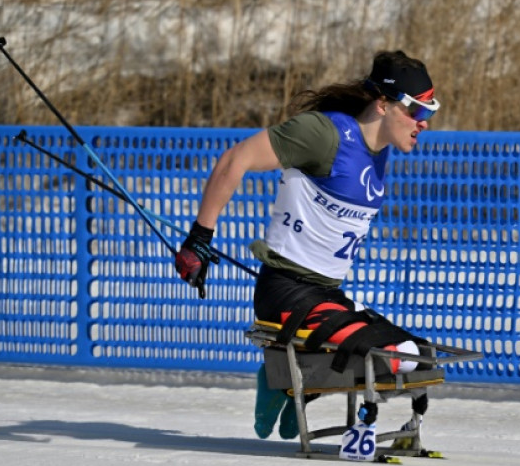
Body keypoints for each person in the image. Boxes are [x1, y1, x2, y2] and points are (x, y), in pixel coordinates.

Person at [174, 50, 440, 439]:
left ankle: (292, 382)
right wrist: (200, 237)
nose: (424, 123)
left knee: (421, 355)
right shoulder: (324, 134)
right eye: (415, 111)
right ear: (383, 105)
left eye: (428, 111)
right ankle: (282, 379)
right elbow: (236, 158)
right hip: (286, 294)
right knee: (402, 359)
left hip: (326, 295)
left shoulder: (378, 153)